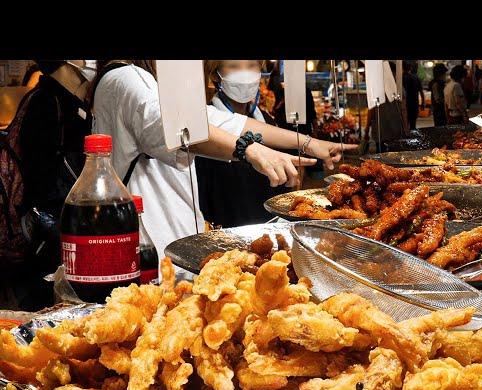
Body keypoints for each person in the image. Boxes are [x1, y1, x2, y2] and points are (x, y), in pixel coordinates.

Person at [92, 60, 354, 263]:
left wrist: (308, 143)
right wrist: (249, 150)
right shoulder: (125, 79)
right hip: (148, 256)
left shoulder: (156, 84)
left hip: (179, 251)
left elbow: (227, 122)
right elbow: (175, 126)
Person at [1, 60, 95, 310]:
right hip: (45, 237)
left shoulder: (66, 100)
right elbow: (41, 179)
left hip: (56, 231)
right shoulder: (47, 101)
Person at [195, 60, 288, 226]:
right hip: (224, 232)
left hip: (271, 225)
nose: (245, 74)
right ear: (215, 75)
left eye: (252, 65)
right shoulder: (204, 127)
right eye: (233, 66)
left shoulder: (268, 122)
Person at [402, 61, 425, 130]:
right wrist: (423, 103)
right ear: (410, 68)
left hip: (405, 105)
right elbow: (421, 92)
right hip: (414, 104)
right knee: (413, 124)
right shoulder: (416, 78)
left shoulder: (400, 78)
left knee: (405, 125)